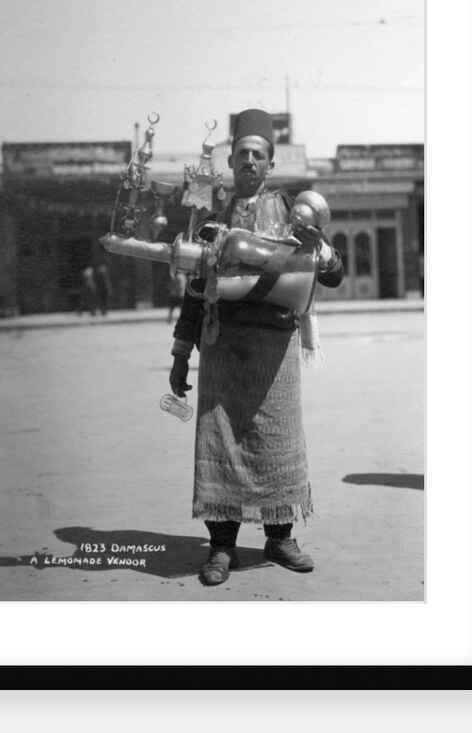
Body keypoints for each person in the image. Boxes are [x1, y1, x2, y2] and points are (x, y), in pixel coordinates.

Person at [169, 109, 344, 586]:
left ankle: (280, 537)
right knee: (219, 440)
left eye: (258, 155)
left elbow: (333, 272)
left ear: (270, 164)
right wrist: (181, 354)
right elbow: (193, 291)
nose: (249, 160)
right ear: (230, 160)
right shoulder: (211, 219)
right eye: (242, 153)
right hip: (222, 345)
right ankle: (222, 547)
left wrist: (320, 247)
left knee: (276, 441)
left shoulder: (293, 211)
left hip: (276, 350)